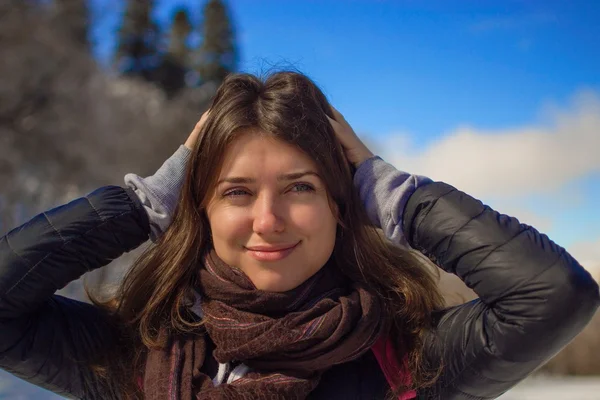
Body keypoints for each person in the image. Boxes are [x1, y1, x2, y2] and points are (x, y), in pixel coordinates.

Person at [0, 71, 598, 400]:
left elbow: (553, 295)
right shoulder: (131, 354)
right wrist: (141, 205)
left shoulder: (408, 359)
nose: (268, 219)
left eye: (301, 188)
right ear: (198, 209)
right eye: (236, 192)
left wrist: (390, 192)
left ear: (342, 206)